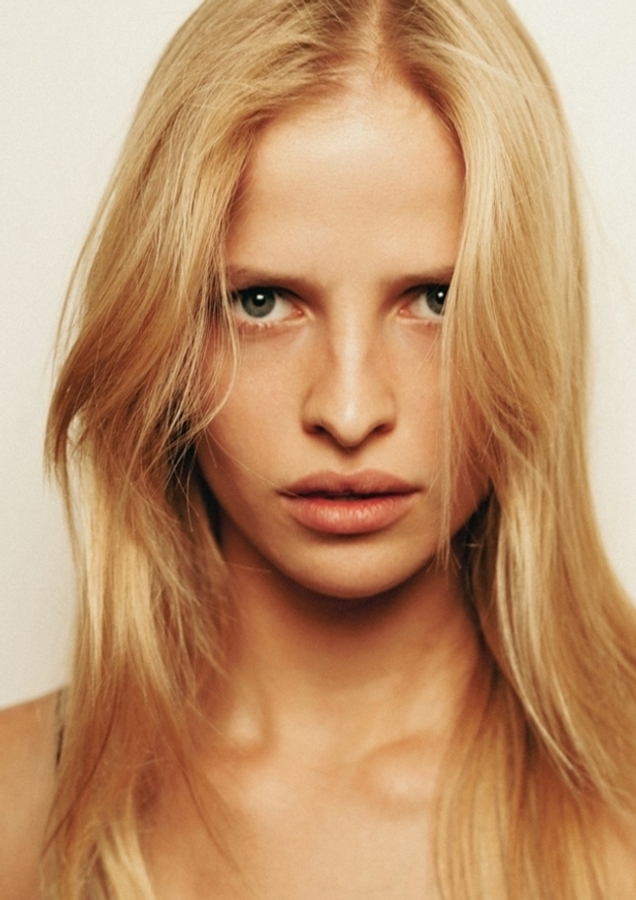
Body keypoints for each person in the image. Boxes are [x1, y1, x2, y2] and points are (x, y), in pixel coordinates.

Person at [1, 0, 636, 897]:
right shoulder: (19, 809)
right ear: (162, 333)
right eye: (261, 302)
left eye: (436, 300)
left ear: (529, 320)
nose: (348, 410)